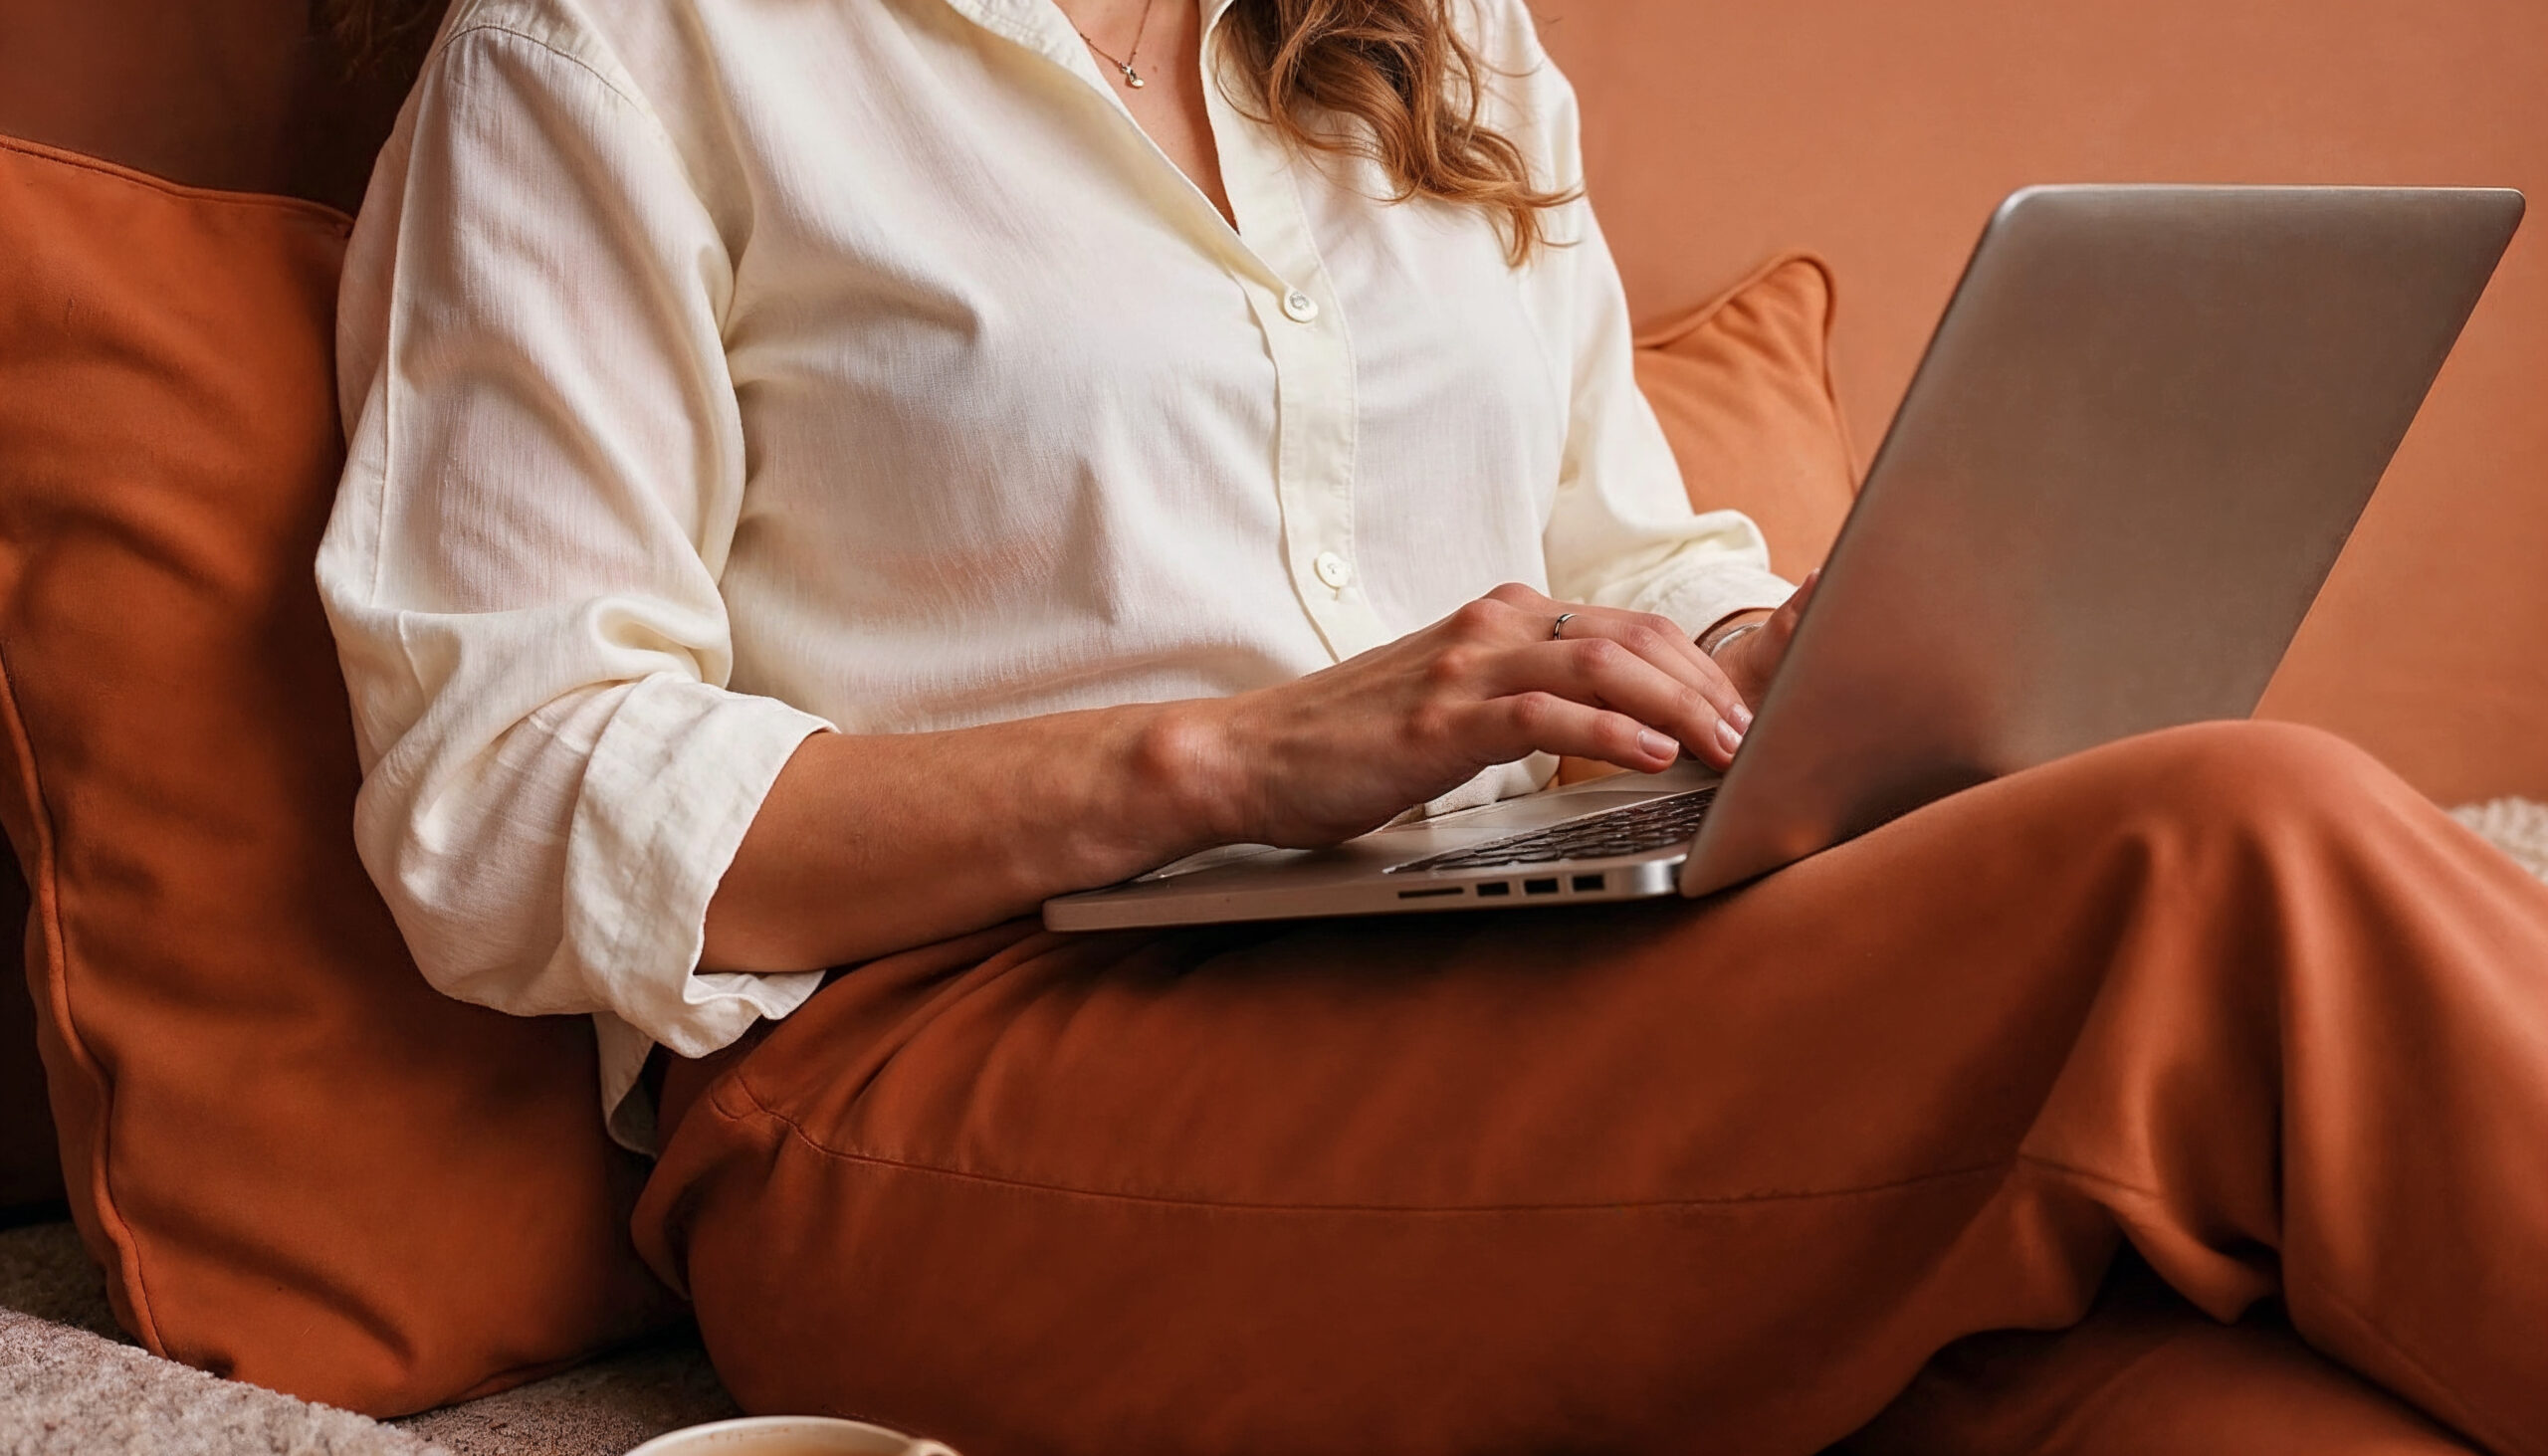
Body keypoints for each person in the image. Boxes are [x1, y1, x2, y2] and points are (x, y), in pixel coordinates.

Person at [316, 0, 2548, 1450]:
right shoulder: (617, 48)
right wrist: (1229, 755)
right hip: (928, 1082)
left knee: (2251, 1420)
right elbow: (500, 802)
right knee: (2222, 847)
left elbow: (1622, 545)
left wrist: (1763, 652)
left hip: (1503, 968)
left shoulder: (1429, 30)